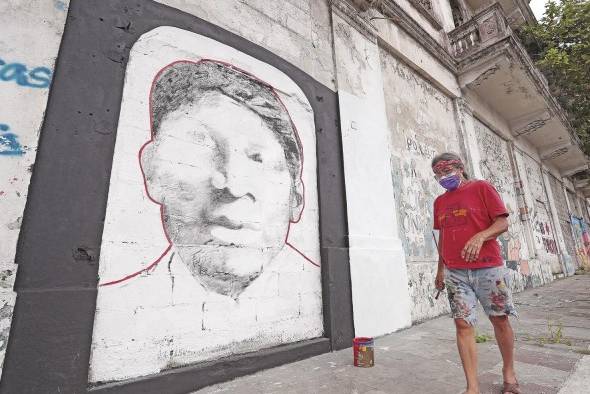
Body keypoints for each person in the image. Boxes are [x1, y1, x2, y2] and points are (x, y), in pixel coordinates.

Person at [89, 60, 323, 382]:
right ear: (152, 172)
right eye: (197, 148)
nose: (233, 183)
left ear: (297, 199)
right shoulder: (111, 311)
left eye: (258, 158)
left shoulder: (318, 290)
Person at [432, 152, 519, 394]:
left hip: (489, 268)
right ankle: (472, 387)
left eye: (447, 171)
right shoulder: (439, 202)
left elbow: (502, 222)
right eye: (438, 174)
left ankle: (509, 372)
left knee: (499, 320)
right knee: (462, 324)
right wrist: (440, 270)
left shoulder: (482, 188)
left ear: (460, 168)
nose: (443, 177)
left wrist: (480, 236)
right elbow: (442, 237)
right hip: (456, 272)